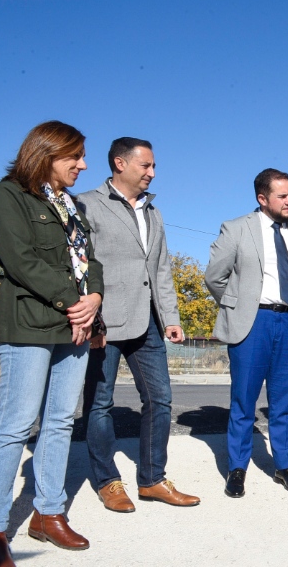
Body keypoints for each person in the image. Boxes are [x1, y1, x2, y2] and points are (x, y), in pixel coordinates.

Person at [0, 121, 105, 567]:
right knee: (14, 426)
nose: (83, 164)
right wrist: (75, 302)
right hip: (30, 324)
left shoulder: (69, 205)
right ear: (45, 153)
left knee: (59, 422)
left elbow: (89, 259)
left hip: (73, 326)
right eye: (74, 156)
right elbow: (20, 260)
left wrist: (93, 298)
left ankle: (48, 514)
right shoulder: (7, 196)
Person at [76, 137, 199, 512]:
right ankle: (108, 481)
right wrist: (88, 317)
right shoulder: (86, 204)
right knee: (99, 405)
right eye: (145, 166)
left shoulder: (153, 212)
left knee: (160, 399)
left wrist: (170, 318)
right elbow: (79, 265)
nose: (152, 172)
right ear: (119, 163)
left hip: (146, 323)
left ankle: (152, 479)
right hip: (104, 323)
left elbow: (160, 268)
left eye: (153, 166)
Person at [205, 168, 288, 498]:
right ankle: (237, 468)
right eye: (282, 196)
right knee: (243, 402)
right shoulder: (237, 229)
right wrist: (238, 306)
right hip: (253, 324)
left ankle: (284, 466)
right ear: (262, 198)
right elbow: (214, 277)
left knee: (283, 402)